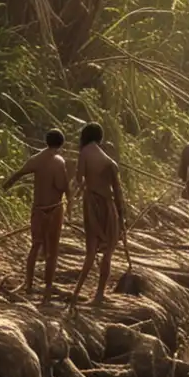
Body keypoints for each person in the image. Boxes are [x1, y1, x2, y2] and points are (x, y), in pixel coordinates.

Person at [7, 129, 70, 300]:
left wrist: (5, 186)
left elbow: (18, 173)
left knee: (35, 246)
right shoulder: (59, 161)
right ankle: (48, 289)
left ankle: (29, 285)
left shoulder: (36, 159)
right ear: (61, 144)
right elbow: (62, 186)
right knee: (52, 251)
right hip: (54, 208)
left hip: (38, 209)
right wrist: (70, 202)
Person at [70, 123, 127, 306]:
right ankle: (99, 294)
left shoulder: (85, 152)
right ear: (100, 138)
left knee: (90, 252)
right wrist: (122, 215)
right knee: (108, 252)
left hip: (93, 205)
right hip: (108, 205)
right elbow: (118, 192)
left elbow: (79, 179)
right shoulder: (109, 161)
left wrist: (78, 190)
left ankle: (77, 292)